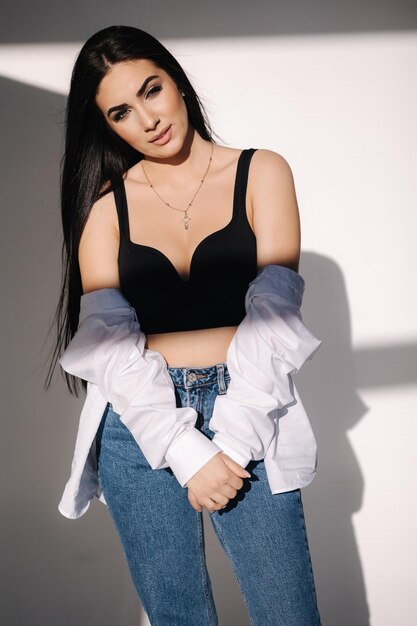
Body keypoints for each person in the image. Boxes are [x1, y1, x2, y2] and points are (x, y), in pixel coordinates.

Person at [45, 24, 323, 626]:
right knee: (178, 619)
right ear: (108, 126)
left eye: (152, 90)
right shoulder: (104, 205)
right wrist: (182, 448)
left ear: (177, 80)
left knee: (289, 616)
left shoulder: (261, 172)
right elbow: (107, 344)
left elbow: (275, 322)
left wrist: (230, 443)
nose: (147, 119)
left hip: (249, 403)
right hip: (139, 422)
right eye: (121, 111)